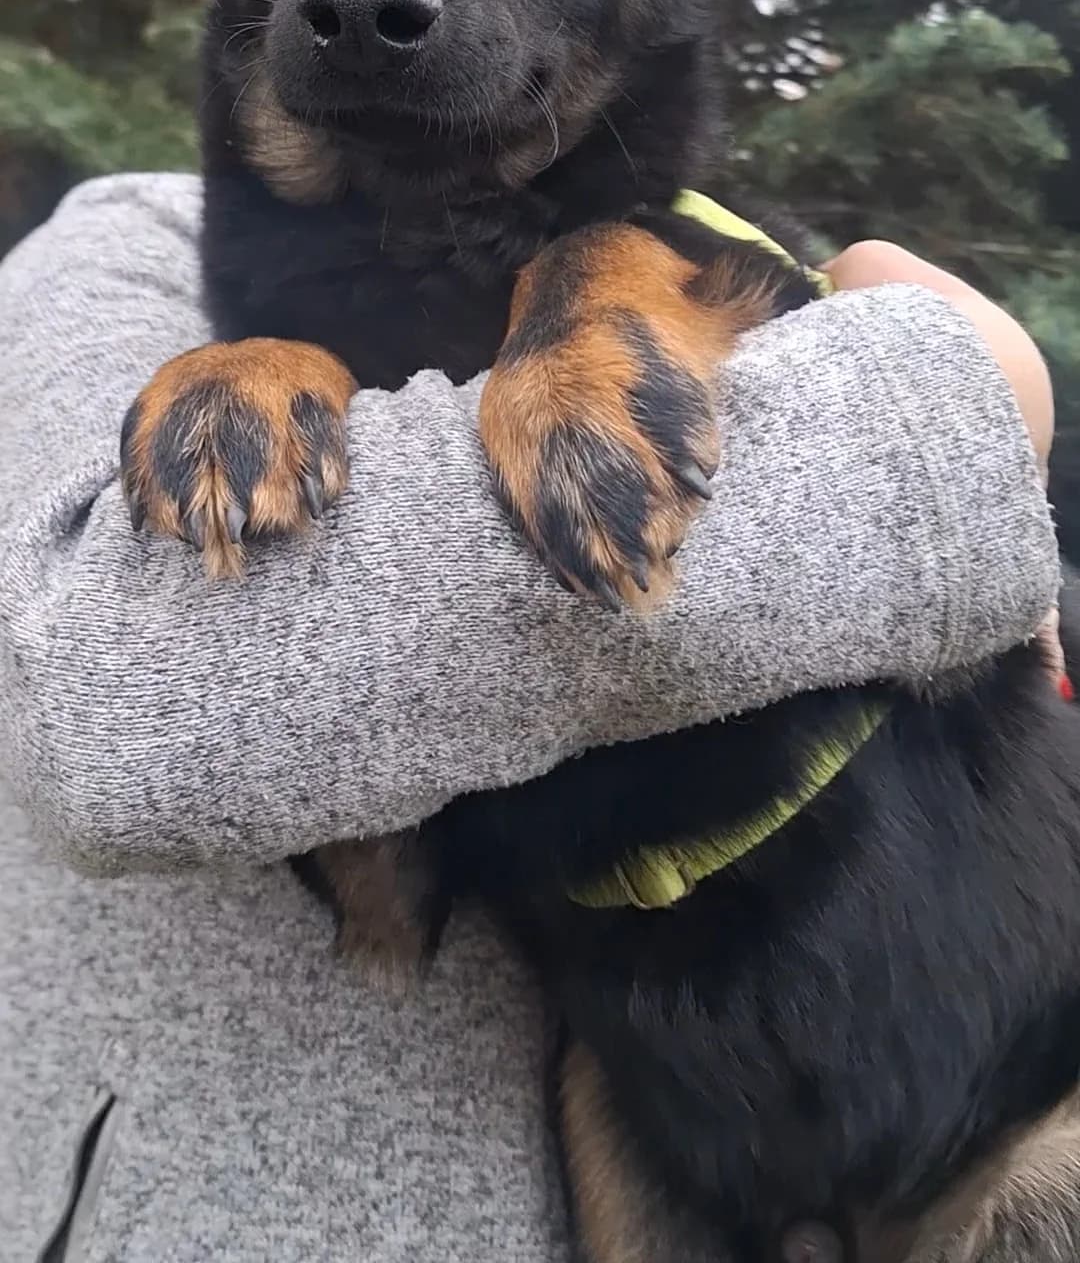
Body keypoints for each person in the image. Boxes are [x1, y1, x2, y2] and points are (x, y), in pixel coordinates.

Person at [0, 171, 1059, 1263]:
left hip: (1005, 1078)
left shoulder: (644, 249)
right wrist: (954, 418)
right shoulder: (141, 231)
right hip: (487, 1175)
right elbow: (113, 703)